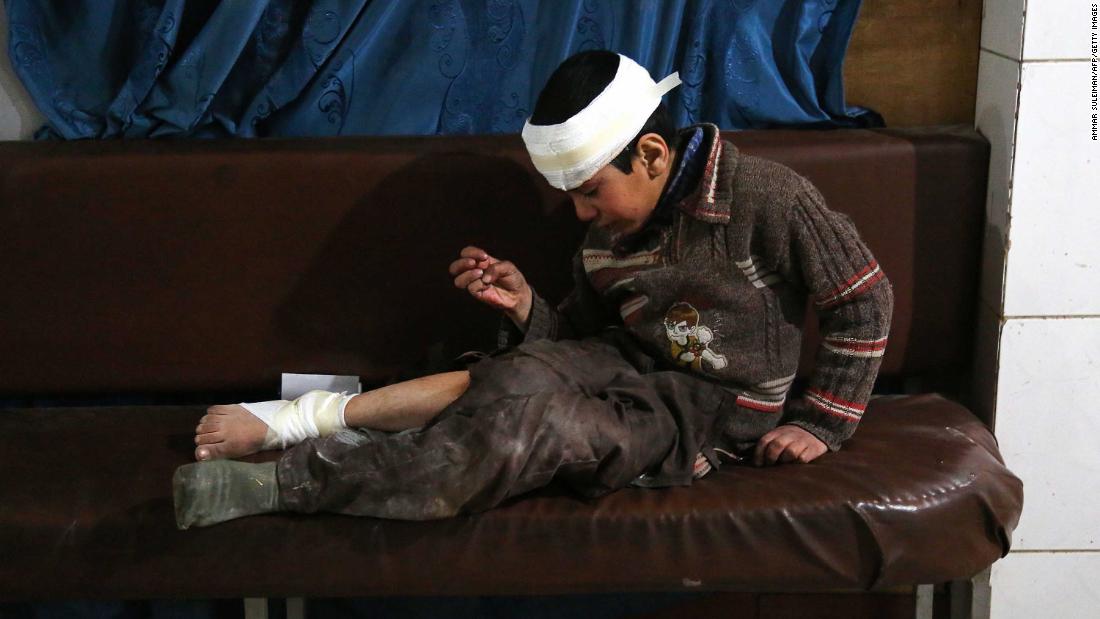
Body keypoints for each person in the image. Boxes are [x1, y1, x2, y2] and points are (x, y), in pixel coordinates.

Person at [173, 50, 893, 529]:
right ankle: (303, 417)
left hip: (703, 412)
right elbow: (579, 334)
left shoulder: (766, 197)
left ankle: (286, 482)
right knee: (503, 378)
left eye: (588, 193)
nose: (579, 215)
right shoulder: (606, 236)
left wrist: (823, 423)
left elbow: (864, 297)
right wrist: (525, 306)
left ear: (650, 153)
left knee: (527, 427)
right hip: (617, 360)